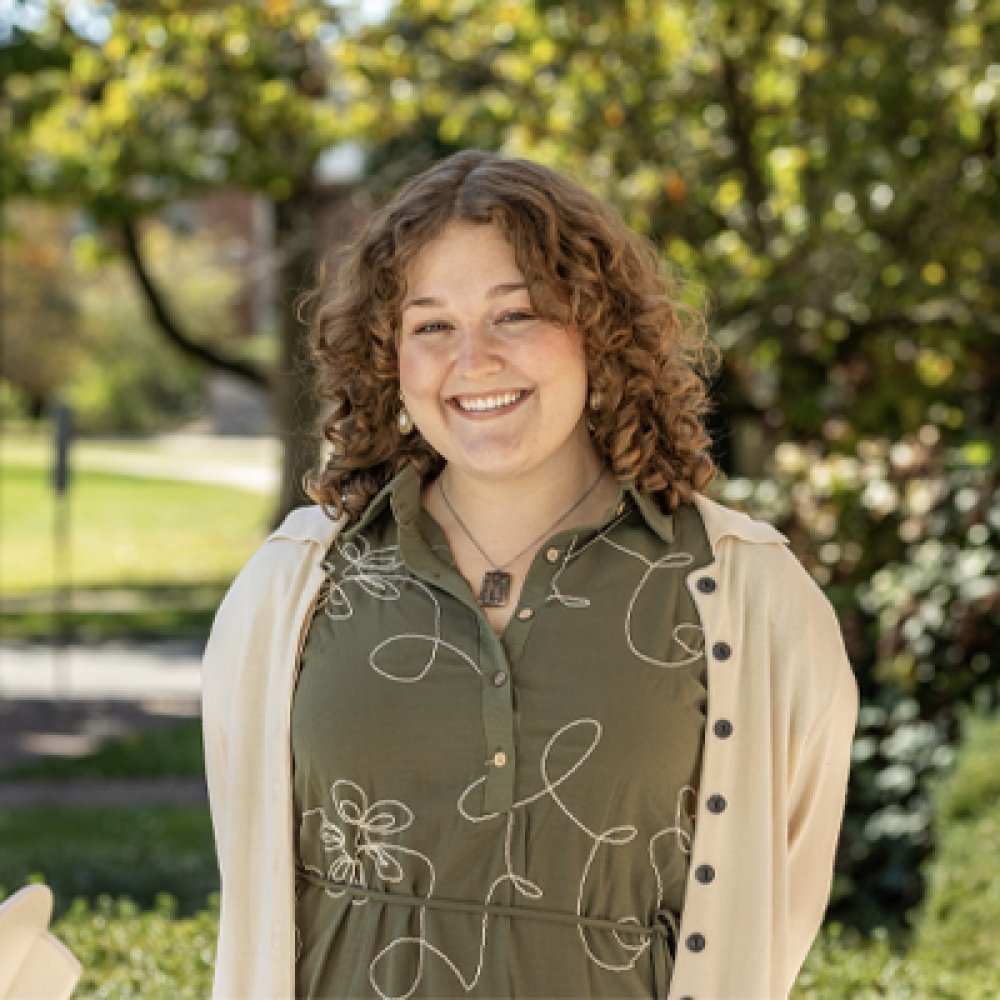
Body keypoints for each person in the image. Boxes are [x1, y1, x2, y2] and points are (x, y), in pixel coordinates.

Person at [201, 150, 858, 1000]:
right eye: (431, 326)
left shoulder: (748, 595)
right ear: (388, 354)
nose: (472, 360)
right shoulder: (291, 586)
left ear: (600, 329)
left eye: (516, 315)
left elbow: (779, 899)